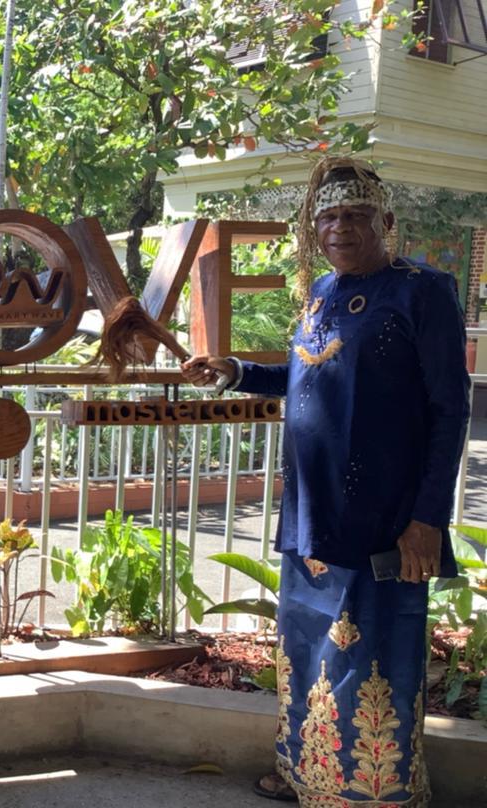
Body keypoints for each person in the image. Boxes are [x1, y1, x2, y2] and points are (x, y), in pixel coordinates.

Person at [183, 158, 469, 807]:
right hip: (311, 517)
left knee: (370, 660)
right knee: (308, 650)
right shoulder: (322, 293)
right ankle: (307, 774)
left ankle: (372, 794)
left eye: (356, 215)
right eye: (329, 216)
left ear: (385, 221)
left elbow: (450, 409)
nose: (341, 227)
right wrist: (235, 371)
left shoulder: (423, 292)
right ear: (315, 230)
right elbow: (307, 373)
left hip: (384, 523)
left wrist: (428, 518)